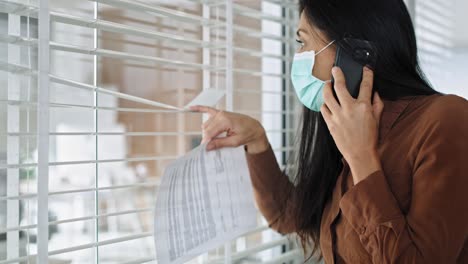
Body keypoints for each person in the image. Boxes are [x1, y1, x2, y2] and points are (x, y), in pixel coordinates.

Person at [190, 0, 468, 263]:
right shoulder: (347, 124)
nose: (297, 57)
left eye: (303, 42)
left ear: (355, 54)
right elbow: (290, 217)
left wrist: (362, 159)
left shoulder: (446, 119)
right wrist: (256, 139)